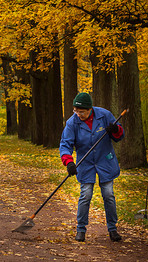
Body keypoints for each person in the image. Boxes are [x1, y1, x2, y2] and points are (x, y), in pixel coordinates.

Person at [59, 92, 124, 243]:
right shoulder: (72, 122)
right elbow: (65, 144)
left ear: (90, 109)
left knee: (108, 194)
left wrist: (115, 130)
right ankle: (81, 229)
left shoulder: (104, 115)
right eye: (76, 110)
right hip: (85, 163)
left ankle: (112, 229)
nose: (78, 114)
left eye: (81, 111)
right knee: (85, 195)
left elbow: (119, 135)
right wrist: (69, 162)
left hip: (105, 160)